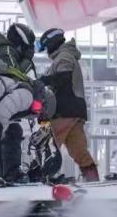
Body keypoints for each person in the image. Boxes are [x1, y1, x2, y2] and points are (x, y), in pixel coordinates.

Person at [37, 28, 100, 183]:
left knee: (47, 144)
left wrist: (43, 81)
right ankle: (93, 181)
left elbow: (63, 79)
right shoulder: (67, 55)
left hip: (63, 110)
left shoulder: (63, 56)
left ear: (52, 42)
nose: (46, 51)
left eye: (45, 47)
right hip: (75, 111)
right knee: (79, 151)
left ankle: (40, 179)